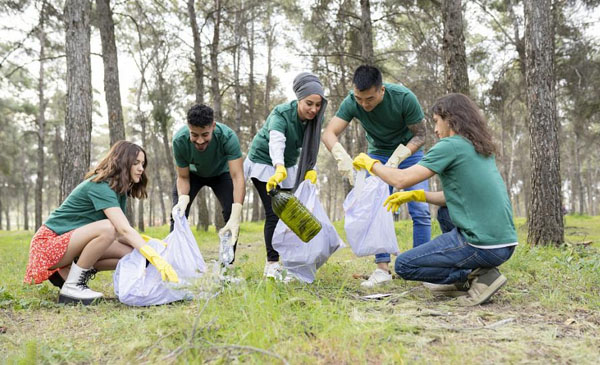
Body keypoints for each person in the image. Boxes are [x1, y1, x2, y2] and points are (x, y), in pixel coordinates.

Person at [352, 93, 517, 306]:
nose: (436, 130)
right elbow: (458, 196)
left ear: (451, 119)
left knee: (404, 265)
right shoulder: (478, 146)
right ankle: (478, 271)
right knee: (445, 211)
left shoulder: (450, 145)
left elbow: (400, 179)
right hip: (504, 244)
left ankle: (471, 277)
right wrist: (418, 195)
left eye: (437, 122)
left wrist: (370, 162)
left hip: (481, 245)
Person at [24, 141, 178, 305]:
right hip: (47, 245)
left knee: (133, 255)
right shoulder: (100, 185)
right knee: (107, 228)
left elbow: (120, 234)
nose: (141, 168)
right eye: (136, 163)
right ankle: (73, 286)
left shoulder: (118, 190)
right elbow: (120, 229)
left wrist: (150, 246)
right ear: (123, 163)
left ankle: (68, 273)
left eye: (142, 164)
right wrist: (154, 256)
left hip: (69, 244)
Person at [322, 64, 430, 287]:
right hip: (378, 155)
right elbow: (329, 133)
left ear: (381, 90)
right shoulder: (353, 101)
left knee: (420, 208)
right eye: (359, 98)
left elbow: (421, 135)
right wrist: (341, 155)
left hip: (409, 153)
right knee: (377, 209)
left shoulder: (403, 98)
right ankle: (382, 269)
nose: (364, 104)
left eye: (369, 99)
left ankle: (421, 268)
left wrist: (400, 156)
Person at [245, 72, 327, 280]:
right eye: (309, 103)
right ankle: (272, 264)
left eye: (318, 105)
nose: (313, 109)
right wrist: (278, 167)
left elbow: (312, 146)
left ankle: (293, 262)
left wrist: (311, 168)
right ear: (299, 99)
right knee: (275, 212)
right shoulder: (280, 114)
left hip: (289, 164)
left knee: (293, 213)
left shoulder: (314, 119)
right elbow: (276, 142)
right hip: (264, 162)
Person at [170, 104, 245, 262]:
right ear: (188, 128)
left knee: (230, 214)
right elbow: (183, 177)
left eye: (205, 134)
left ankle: (227, 267)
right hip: (193, 174)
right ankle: (174, 263)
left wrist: (236, 213)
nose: (199, 140)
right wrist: (183, 198)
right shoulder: (179, 140)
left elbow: (237, 176)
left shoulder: (227, 137)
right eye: (194, 135)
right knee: (177, 214)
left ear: (213, 126)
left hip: (221, 173)